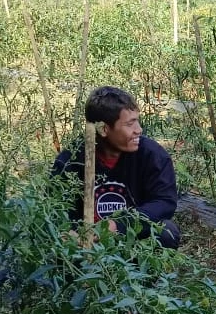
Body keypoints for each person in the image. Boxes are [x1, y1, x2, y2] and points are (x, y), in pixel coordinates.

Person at [51, 86, 181, 248]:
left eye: (137, 121)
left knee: (166, 232)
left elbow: (164, 202)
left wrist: (116, 226)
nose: (139, 130)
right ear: (104, 129)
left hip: (132, 238)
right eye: (130, 124)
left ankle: (147, 273)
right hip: (84, 243)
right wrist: (70, 233)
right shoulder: (71, 161)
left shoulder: (152, 156)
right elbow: (55, 210)